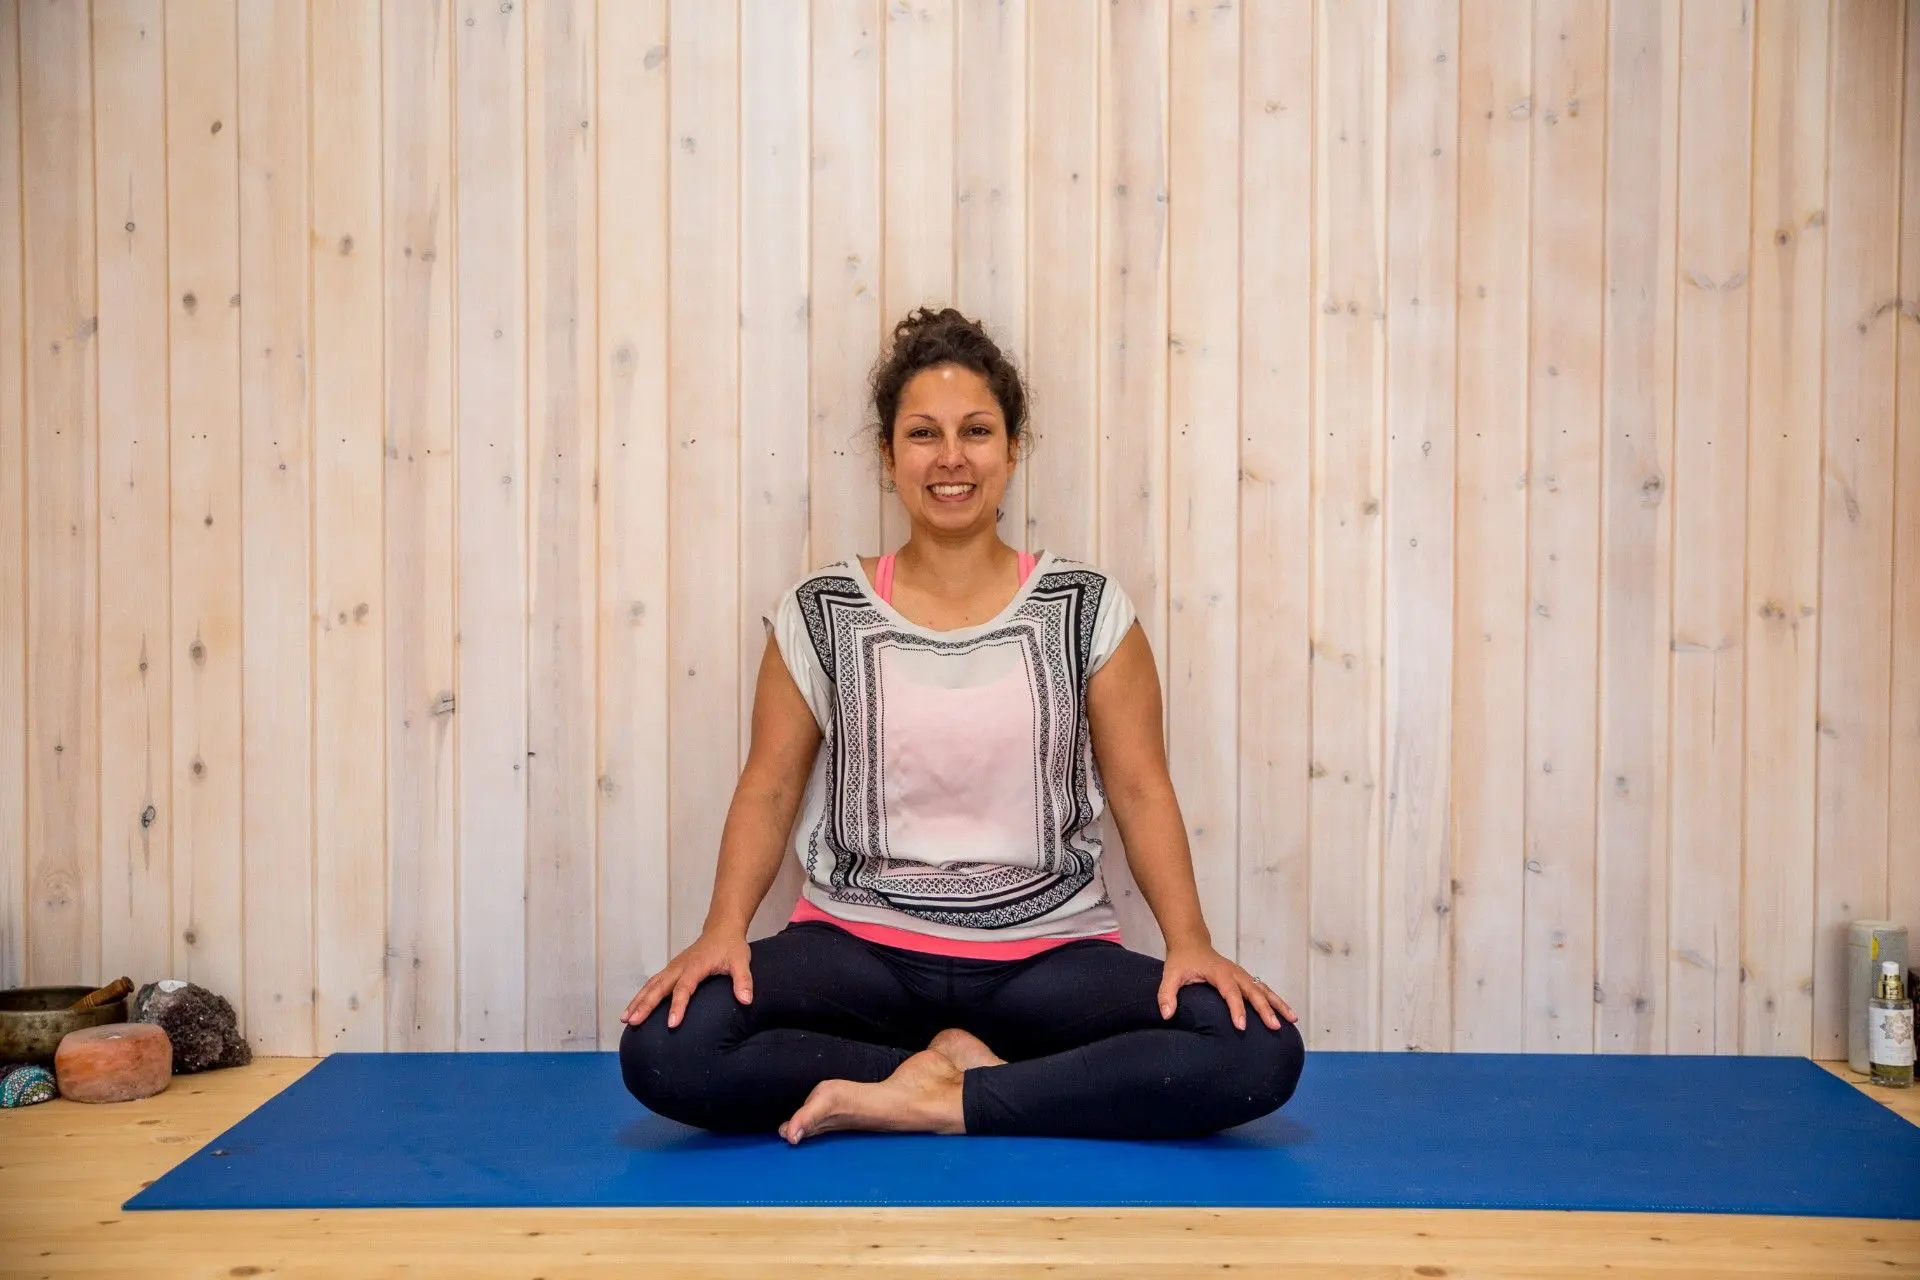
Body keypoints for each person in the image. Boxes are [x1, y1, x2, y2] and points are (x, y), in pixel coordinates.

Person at [619, 307, 1304, 1143]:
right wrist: (722, 932)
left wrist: (1190, 941)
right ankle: (958, 1076)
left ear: (1012, 450)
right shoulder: (820, 610)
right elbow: (768, 786)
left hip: (1046, 957)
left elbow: (1138, 785)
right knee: (665, 1050)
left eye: (976, 431)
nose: (951, 458)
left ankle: (944, 1097)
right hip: (856, 947)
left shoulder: (1086, 608)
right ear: (888, 456)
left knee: (1256, 1052)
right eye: (923, 434)